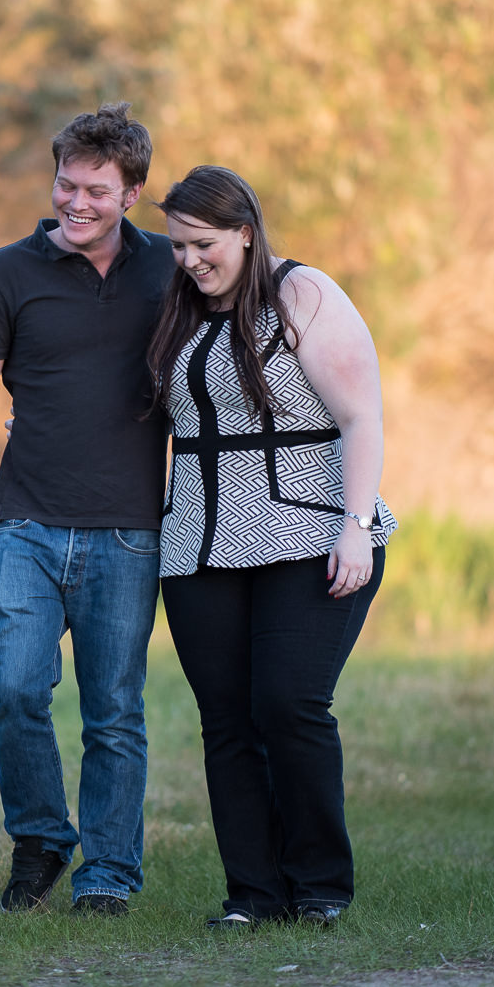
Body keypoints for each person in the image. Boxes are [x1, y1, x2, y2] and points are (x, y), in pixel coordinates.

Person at [0, 103, 171, 916]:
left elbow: (250, 293)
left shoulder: (170, 270)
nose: (77, 202)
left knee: (115, 711)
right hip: (25, 523)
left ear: (132, 192)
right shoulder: (5, 273)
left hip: (130, 531)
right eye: (67, 183)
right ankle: (40, 837)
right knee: (13, 684)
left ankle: (108, 873)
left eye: (97, 189)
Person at [149, 165, 396, 929]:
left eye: (203, 244)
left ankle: (320, 887)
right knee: (226, 722)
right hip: (197, 546)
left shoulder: (304, 294)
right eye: (179, 246)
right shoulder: (177, 312)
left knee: (288, 703)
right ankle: (253, 896)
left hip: (308, 532)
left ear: (246, 232)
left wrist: (355, 525)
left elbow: (362, 416)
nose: (190, 260)